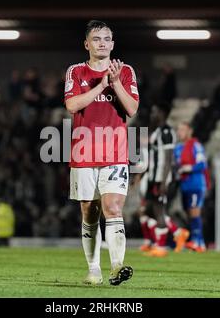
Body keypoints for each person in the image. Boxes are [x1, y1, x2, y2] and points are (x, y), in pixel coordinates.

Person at [64, 20, 139, 286]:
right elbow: (73, 104)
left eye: (107, 38)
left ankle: (116, 266)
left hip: (115, 151)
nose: (102, 43)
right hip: (83, 152)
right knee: (90, 210)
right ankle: (93, 269)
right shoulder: (76, 71)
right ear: (87, 44)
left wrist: (116, 82)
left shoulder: (126, 71)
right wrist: (101, 85)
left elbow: (131, 109)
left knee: (113, 207)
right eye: (97, 39)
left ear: (113, 43)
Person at [139, 105, 189, 257]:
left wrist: (164, 182)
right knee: (149, 211)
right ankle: (177, 232)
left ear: (163, 113)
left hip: (161, 178)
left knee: (159, 210)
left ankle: (160, 247)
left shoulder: (166, 132)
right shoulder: (158, 131)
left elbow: (168, 159)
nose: (153, 114)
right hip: (154, 177)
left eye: (156, 111)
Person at [174, 122, 209, 253]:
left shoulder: (196, 146)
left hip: (196, 184)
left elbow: (202, 164)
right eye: (179, 130)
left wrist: (189, 168)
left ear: (190, 131)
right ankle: (198, 242)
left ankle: (197, 241)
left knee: (195, 212)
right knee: (189, 213)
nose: (180, 132)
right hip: (184, 185)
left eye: (183, 129)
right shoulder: (177, 148)